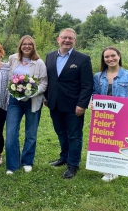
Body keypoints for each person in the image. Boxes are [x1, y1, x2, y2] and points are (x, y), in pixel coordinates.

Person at [44, 28, 93, 179]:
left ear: (74, 41)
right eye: (64, 38)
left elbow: (87, 84)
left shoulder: (83, 59)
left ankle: (73, 164)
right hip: (54, 104)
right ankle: (64, 157)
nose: (67, 40)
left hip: (74, 106)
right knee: (61, 132)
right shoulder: (50, 56)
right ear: (58, 39)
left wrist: (82, 104)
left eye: (70, 38)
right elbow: (48, 79)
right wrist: (46, 97)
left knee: (74, 135)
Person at [93, 46, 128, 181]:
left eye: (113, 55)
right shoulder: (98, 76)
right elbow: (95, 94)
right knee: (105, 141)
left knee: (118, 141)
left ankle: (113, 171)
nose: (110, 59)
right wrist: (93, 102)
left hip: (121, 114)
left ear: (119, 56)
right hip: (104, 114)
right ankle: (106, 166)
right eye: (106, 57)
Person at [5, 35, 47, 175]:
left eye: (30, 44)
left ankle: (27, 161)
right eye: (24, 44)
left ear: (33, 46)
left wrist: (31, 92)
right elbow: (8, 77)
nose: (27, 46)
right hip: (14, 101)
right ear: (20, 46)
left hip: (32, 101)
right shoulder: (13, 59)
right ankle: (12, 165)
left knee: (31, 133)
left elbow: (44, 83)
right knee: (11, 133)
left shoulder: (39, 63)